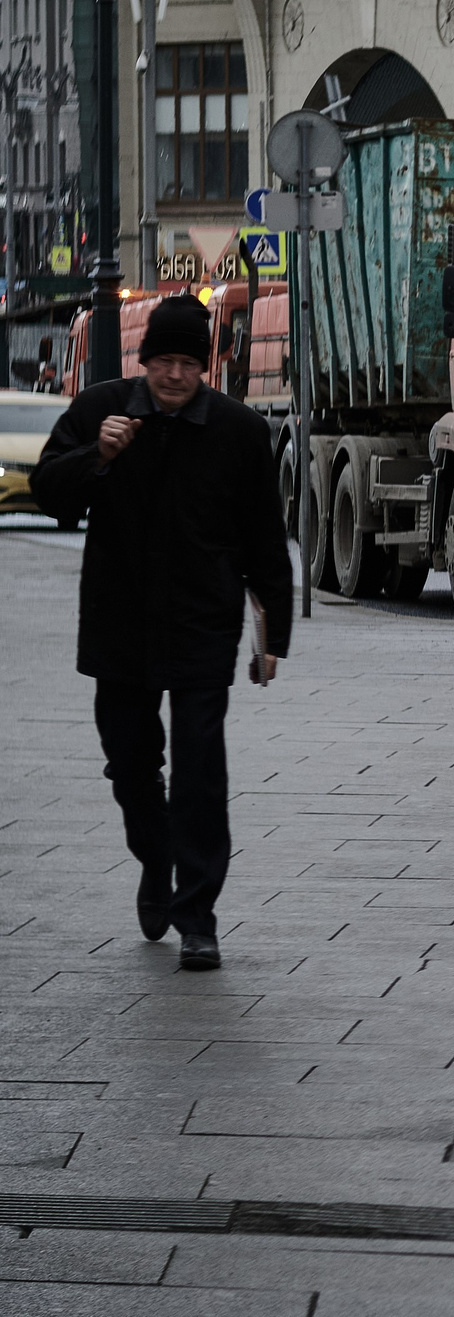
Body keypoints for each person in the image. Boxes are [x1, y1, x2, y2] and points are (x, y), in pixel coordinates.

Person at [32, 295, 291, 972]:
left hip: (204, 623)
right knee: (129, 762)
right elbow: (48, 491)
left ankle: (198, 917)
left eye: (188, 364)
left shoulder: (238, 431)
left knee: (200, 772)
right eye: (163, 362)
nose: (175, 376)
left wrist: (273, 639)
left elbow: (265, 541)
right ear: (143, 361)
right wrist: (98, 455)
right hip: (120, 621)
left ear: (204, 368)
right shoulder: (101, 409)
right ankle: (156, 858)